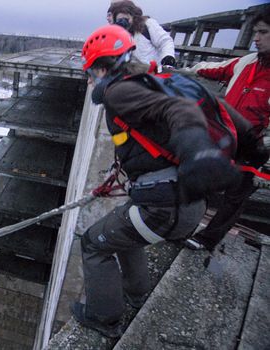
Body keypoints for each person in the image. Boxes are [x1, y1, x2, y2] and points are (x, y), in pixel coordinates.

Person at [71, 24, 262, 338]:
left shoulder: (119, 90)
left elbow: (178, 109)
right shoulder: (164, 80)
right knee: (120, 230)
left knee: (92, 243)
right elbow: (223, 110)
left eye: (91, 73)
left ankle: (102, 318)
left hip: (163, 208)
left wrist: (195, 150)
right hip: (188, 205)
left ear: (104, 68)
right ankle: (136, 295)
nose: (91, 80)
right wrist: (254, 150)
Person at [184, 9, 270, 251]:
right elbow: (214, 69)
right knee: (201, 183)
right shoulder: (247, 62)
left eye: (263, 32)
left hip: (254, 149)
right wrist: (179, 70)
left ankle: (206, 241)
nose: (256, 38)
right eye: (255, 32)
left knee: (234, 199)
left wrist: (264, 158)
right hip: (223, 138)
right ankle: (185, 227)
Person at [109, 1, 176, 67]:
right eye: (119, 20)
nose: (123, 22)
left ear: (133, 16)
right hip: (132, 74)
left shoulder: (147, 25)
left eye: (125, 19)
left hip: (152, 72)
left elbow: (165, 41)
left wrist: (168, 56)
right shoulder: (117, 36)